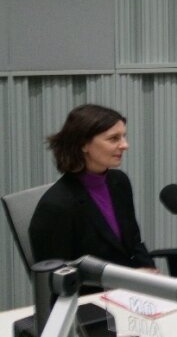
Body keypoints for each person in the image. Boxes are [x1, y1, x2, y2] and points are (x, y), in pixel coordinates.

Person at [29, 104, 157, 271]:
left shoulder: (119, 182)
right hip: (97, 287)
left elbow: (133, 242)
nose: (125, 145)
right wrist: (128, 279)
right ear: (83, 144)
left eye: (124, 137)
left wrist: (150, 271)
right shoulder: (56, 206)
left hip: (132, 282)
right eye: (114, 139)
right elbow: (58, 277)